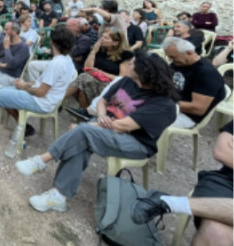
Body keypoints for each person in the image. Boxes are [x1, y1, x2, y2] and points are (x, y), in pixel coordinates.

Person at [18, 52, 177, 213]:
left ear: (143, 71)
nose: (128, 64)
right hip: (105, 125)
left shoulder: (163, 104)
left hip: (135, 142)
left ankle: (43, 161)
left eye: (132, 63)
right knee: (82, 139)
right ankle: (58, 196)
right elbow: (103, 101)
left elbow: (122, 126)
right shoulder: (127, 81)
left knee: (83, 133)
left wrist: (86, 127)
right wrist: (100, 116)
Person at [0, 25, 76, 144]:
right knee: (5, 91)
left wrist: (24, 87)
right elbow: (45, 84)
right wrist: (25, 83)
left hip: (41, 102)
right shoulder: (67, 60)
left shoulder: (55, 64)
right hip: (49, 100)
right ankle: (25, 127)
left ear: (52, 42)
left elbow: (41, 92)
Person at [132, 121, 233, 246]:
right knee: (216, 233)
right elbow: (222, 151)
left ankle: (172, 203)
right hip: (227, 183)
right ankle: (170, 203)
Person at [162, 37, 226, 129]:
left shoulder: (206, 73)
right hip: (171, 106)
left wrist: (162, 103)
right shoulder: (178, 63)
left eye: (173, 57)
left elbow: (198, 109)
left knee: (143, 121)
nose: (170, 60)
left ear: (189, 53)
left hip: (187, 116)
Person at [65, 27, 133, 109]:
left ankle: (58, 100)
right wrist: (94, 51)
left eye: (106, 38)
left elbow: (121, 79)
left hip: (112, 85)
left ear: (115, 42)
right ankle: (83, 111)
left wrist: (100, 72)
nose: (102, 39)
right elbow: (87, 67)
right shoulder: (101, 49)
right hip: (95, 80)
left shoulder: (126, 54)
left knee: (84, 78)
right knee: (84, 80)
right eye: (102, 36)